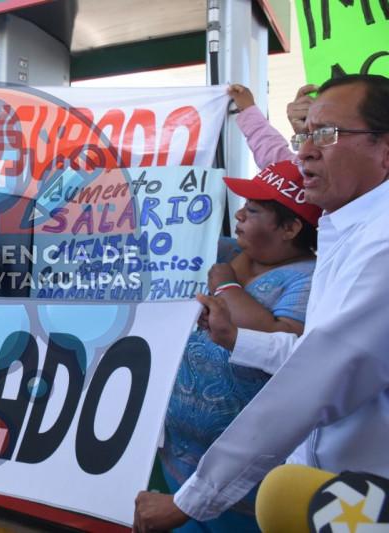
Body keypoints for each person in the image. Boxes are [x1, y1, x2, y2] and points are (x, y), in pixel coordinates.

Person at [133, 74, 389, 532]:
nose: (304, 152)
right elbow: (313, 355)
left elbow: (315, 381)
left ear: (384, 148)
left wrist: (191, 500)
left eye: (327, 134)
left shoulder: (381, 245)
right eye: (304, 134)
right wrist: (237, 339)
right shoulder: (346, 230)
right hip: (314, 499)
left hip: (361, 507)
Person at [159, 160, 320, 533]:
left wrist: (227, 285)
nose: (240, 214)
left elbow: (281, 339)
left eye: (254, 210)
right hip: (176, 458)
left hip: (244, 482)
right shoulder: (224, 251)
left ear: (291, 228)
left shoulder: (309, 278)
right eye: (244, 205)